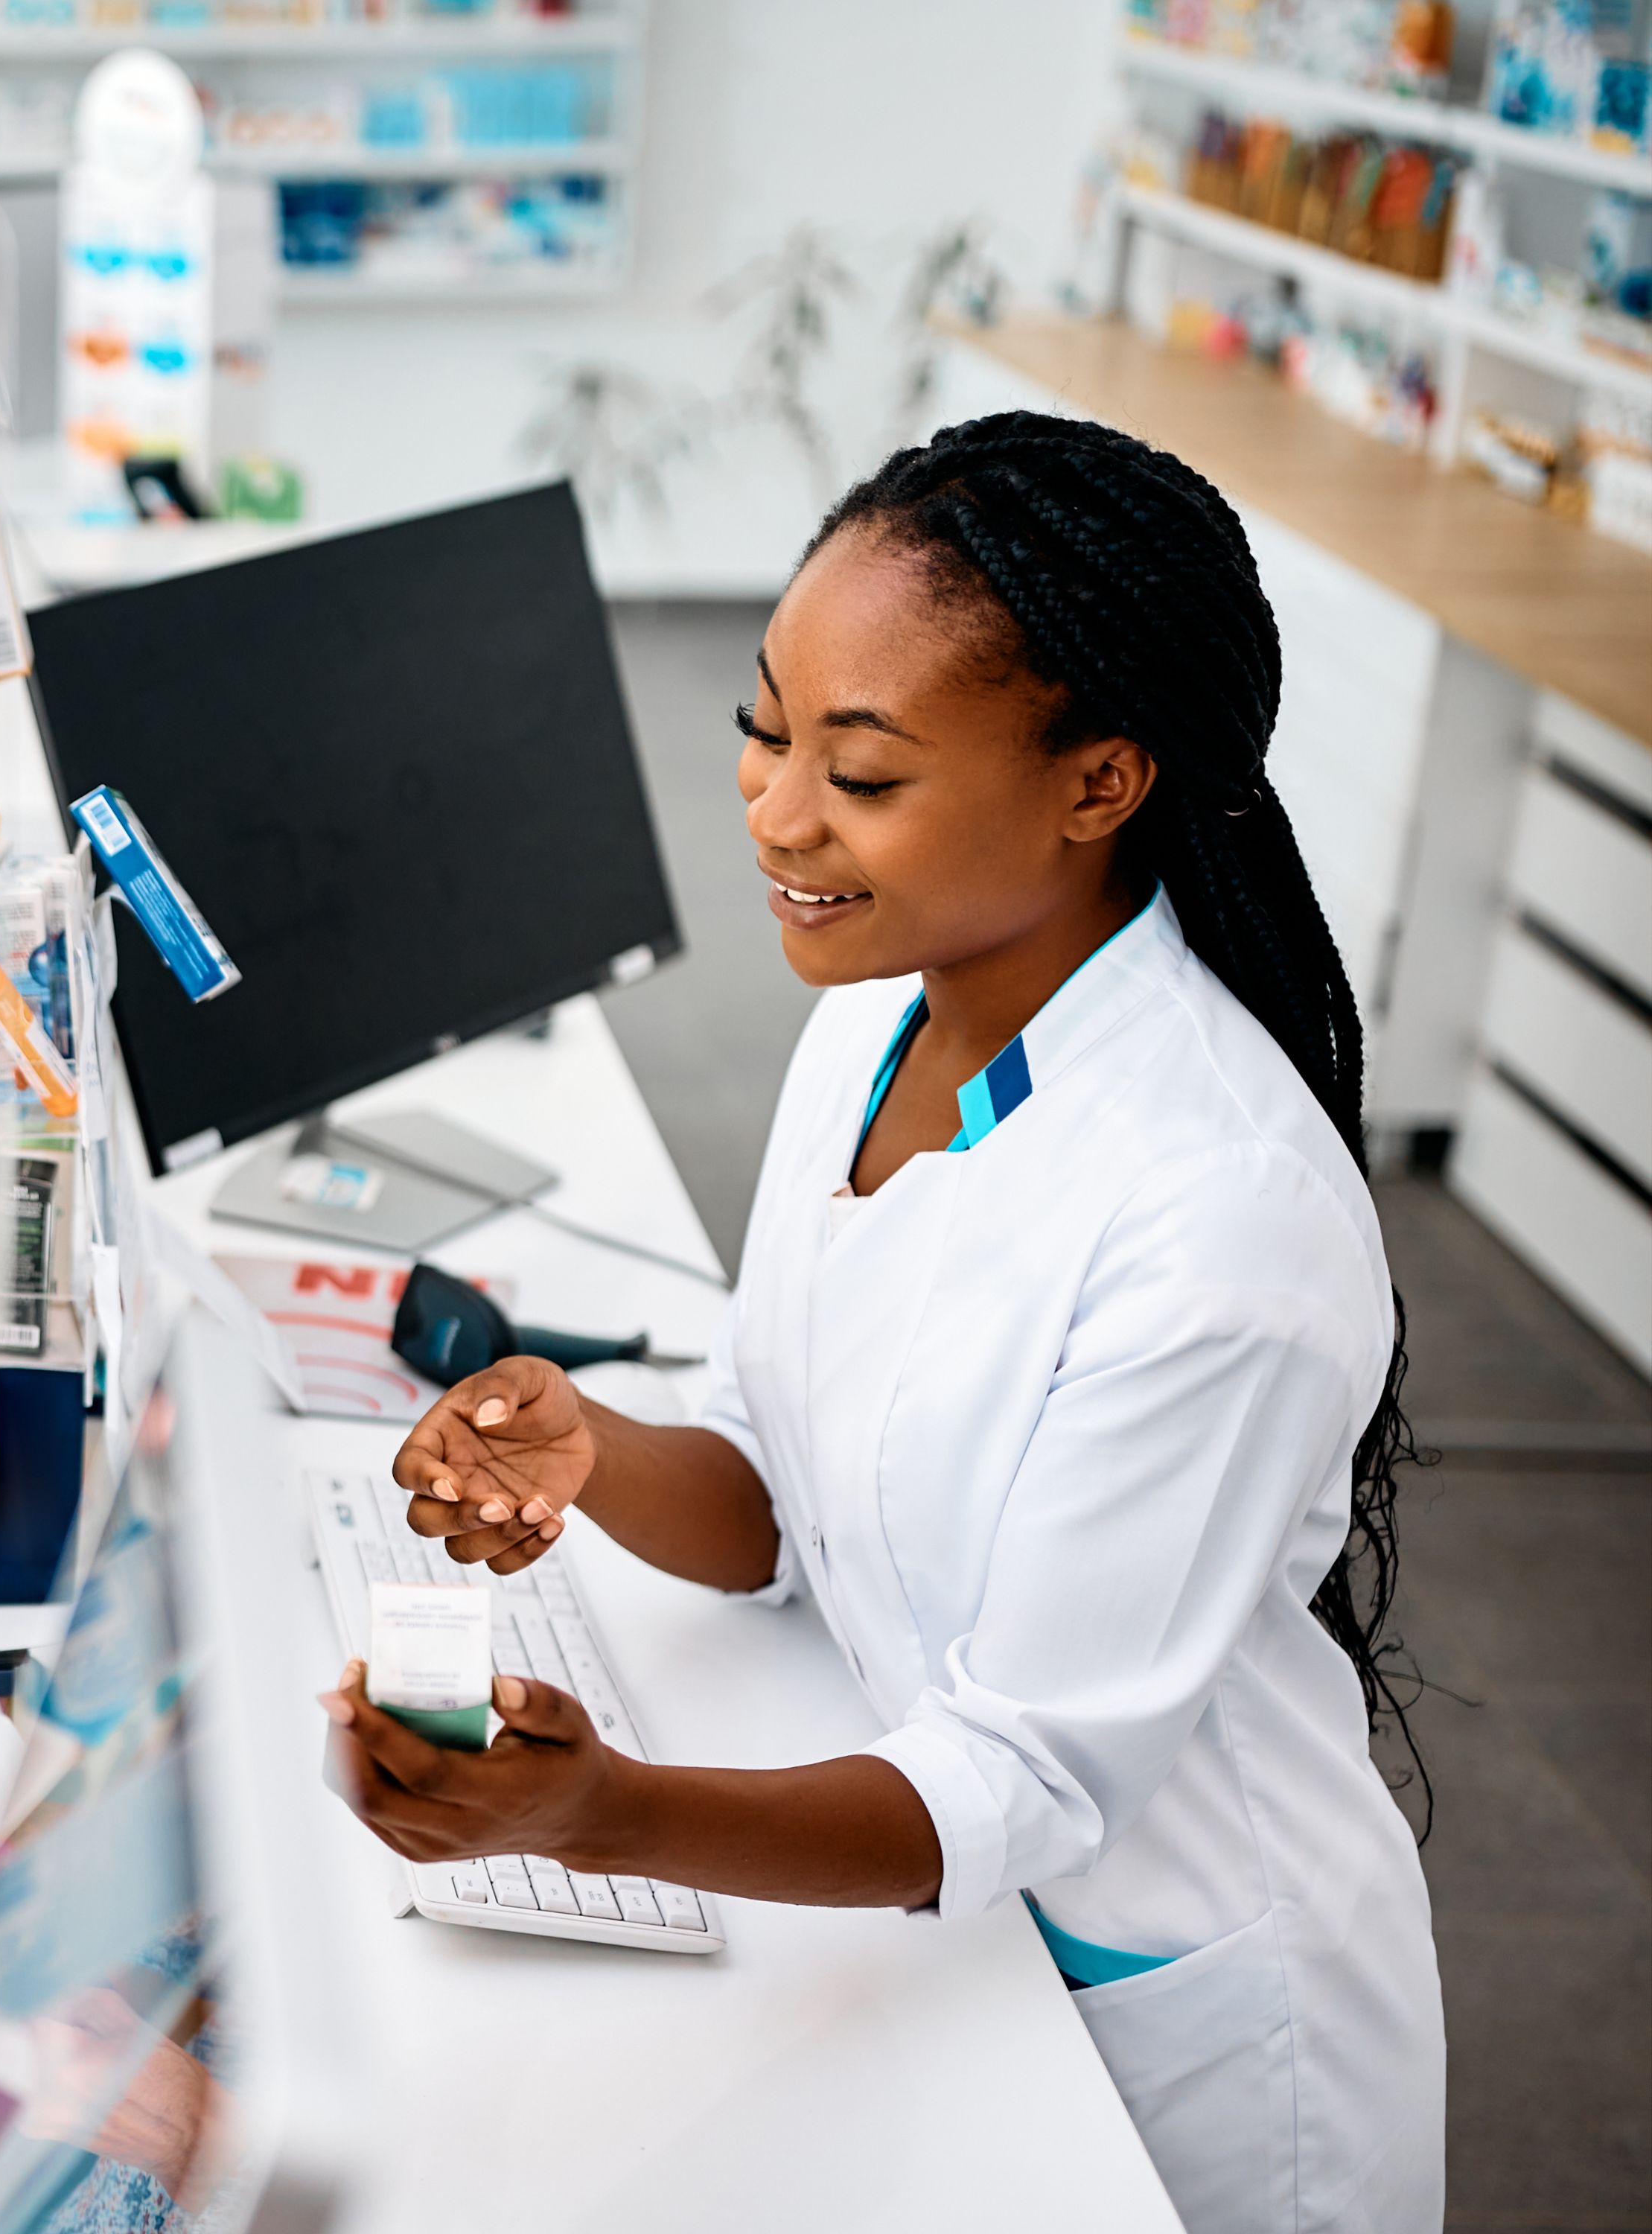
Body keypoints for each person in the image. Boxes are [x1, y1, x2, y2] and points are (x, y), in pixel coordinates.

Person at [321, 414, 1444, 2234]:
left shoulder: (1217, 1219)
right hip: (946, 1937)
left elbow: (1025, 1775)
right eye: (765, 729)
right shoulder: (884, 1011)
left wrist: (596, 1816)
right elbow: (784, 1473)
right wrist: (597, 1454)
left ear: (1099, 784)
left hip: (1167, 2034)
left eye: (861, 773)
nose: (772, 813)